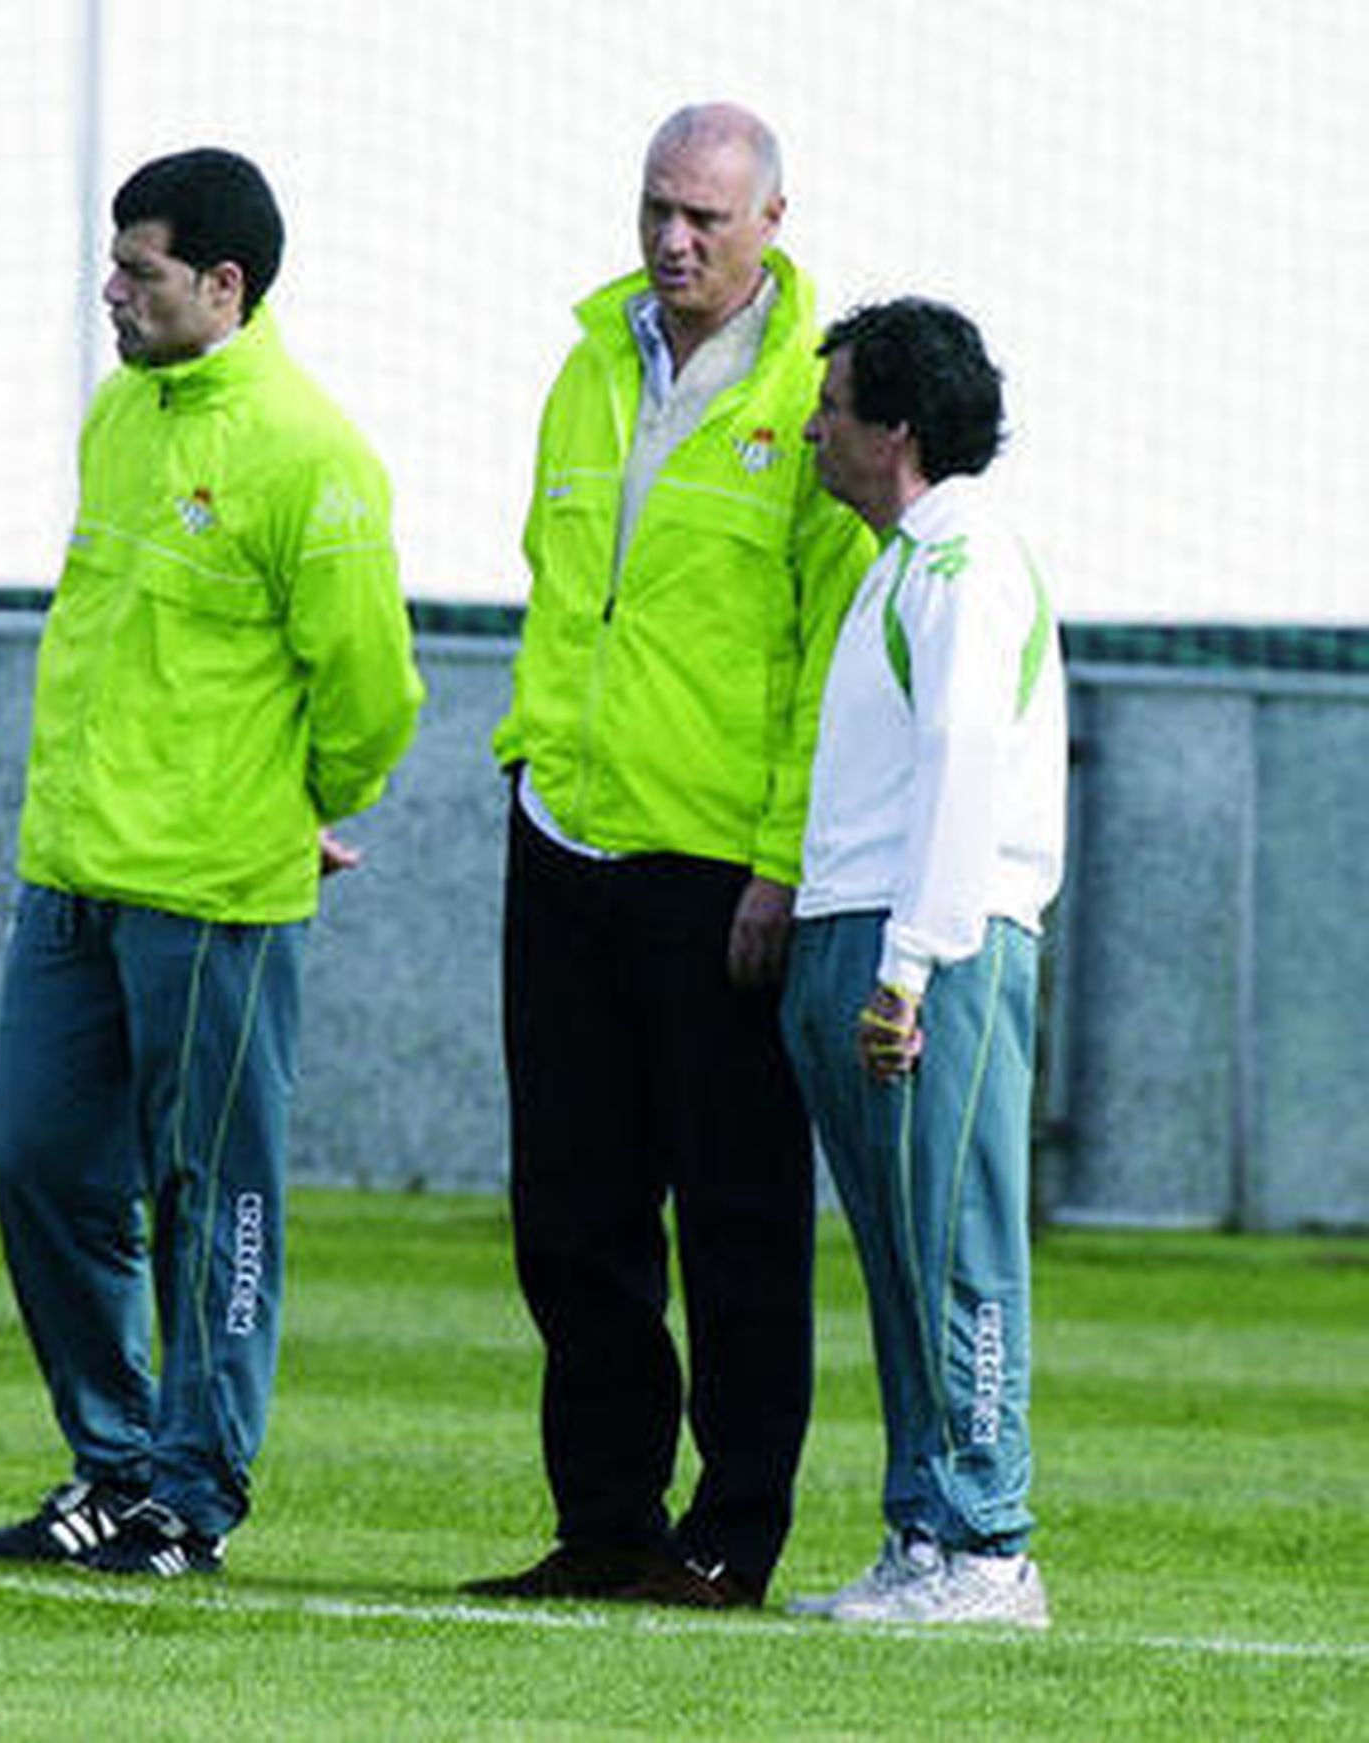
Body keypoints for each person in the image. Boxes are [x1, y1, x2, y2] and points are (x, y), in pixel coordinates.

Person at [0, 147, 424, 1578]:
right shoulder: (120, 417)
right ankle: (112, 1466)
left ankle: (193, 1492)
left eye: (140, 270)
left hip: (218, 895)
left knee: (213, 1198)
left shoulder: (310, 453)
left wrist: (299, 807)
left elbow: (373, 692)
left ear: (223, 285)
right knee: (43, 1171)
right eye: (114, 264)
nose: (111, 292)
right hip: (72, 878)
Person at [463, 103, 875, 1609]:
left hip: (717, 866)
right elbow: (558, 585)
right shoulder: (590, 364)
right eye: (657, 207)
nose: (674, 239)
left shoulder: (815, 396)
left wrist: (781, 861)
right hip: (565, 834)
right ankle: (607, 1521)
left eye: (705, 215)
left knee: (738, 1211)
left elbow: (829, 662)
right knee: (572, 1209)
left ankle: (731, 1534)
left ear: (773, 221)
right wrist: (528, 766)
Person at [782, 297, 1066, 1628]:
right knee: (901, 1257)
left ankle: (990, 1547)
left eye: (833, 407)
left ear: (895, 428)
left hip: (930, 946)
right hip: (858, 928)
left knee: (958, 1247)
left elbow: (962, 763)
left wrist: (910, 966)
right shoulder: (899, 562)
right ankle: (924, 1530)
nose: (813, 430)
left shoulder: (964, 560)